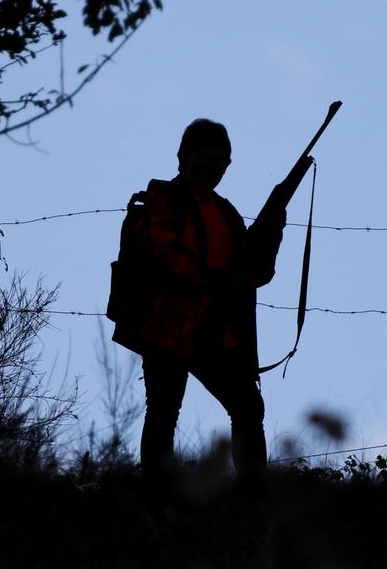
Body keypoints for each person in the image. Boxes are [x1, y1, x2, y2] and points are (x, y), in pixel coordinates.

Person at [111, 118, 286, 505]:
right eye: (203, 156)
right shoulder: (161, 199)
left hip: (214, 331)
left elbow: (256, 275)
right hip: (167, 325)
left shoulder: (228, 215)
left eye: (220, 159)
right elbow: (165, 254)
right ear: (183, 157)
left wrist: (272, 232)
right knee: (163, 412)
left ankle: (254, 499)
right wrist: (217, 281)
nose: (211, 166)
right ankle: (159, 498)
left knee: (247, 406)